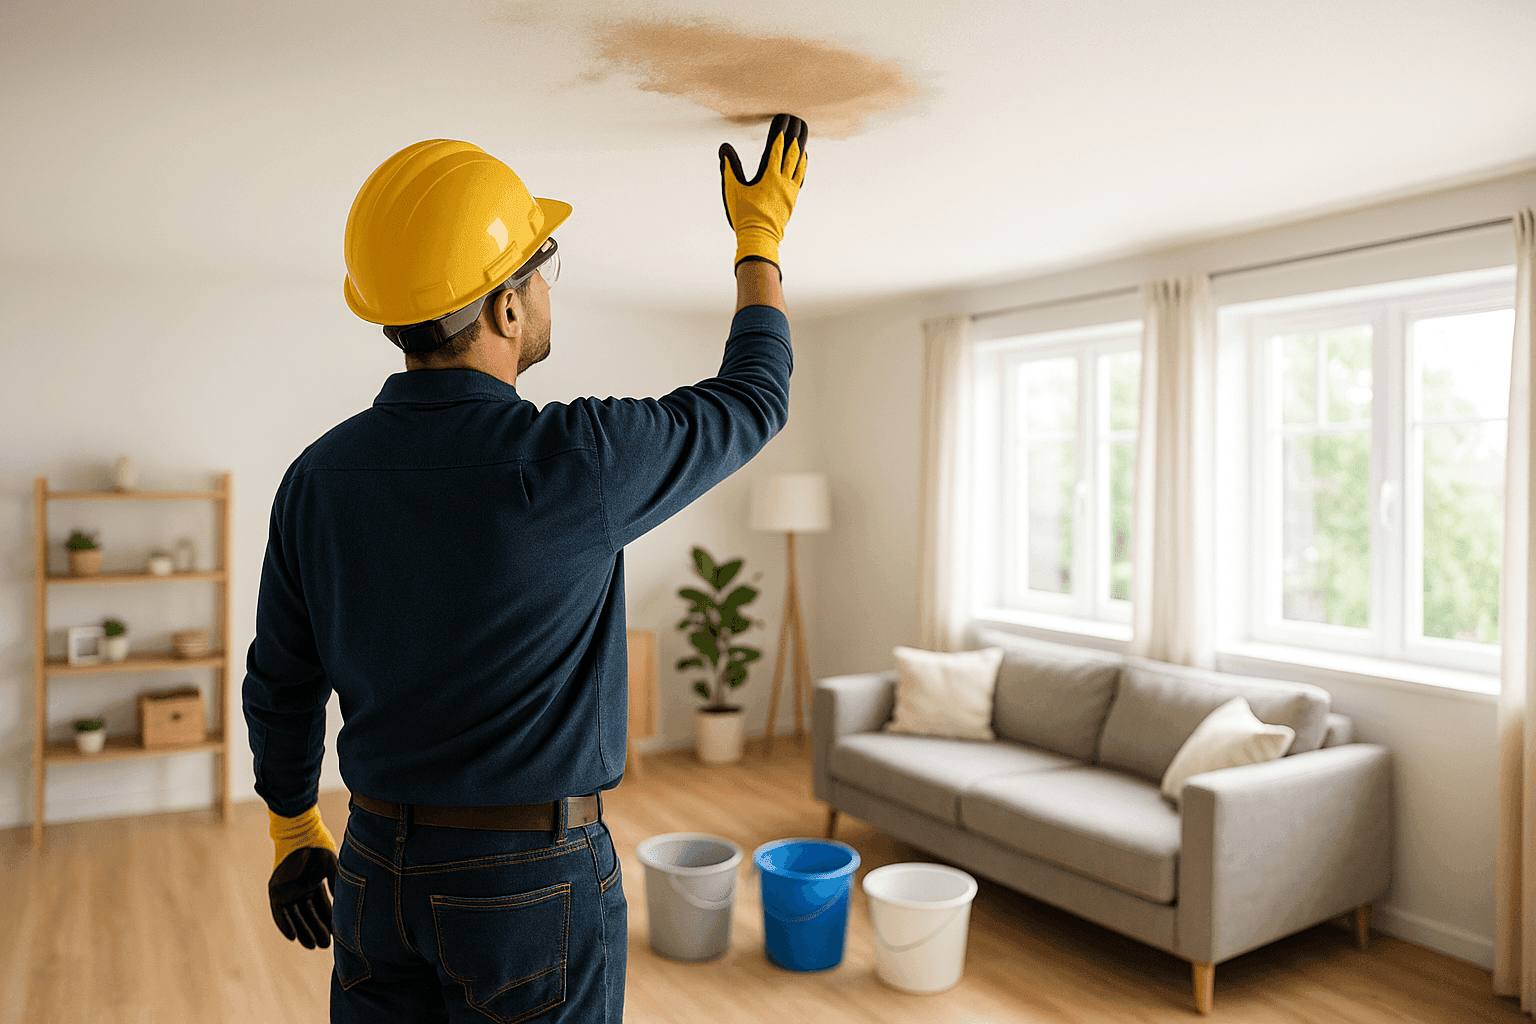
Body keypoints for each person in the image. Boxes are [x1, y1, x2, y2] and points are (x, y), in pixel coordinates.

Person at [242, 113, 809, 1022]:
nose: (547, 286)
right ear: (506, 307)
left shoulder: (317, 478)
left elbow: (280, 680)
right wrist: (759, 239)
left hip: (373, 864)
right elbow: (754, 396)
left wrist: (289, 828)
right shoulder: (574, 459)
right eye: (542, 266)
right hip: (528, 887)